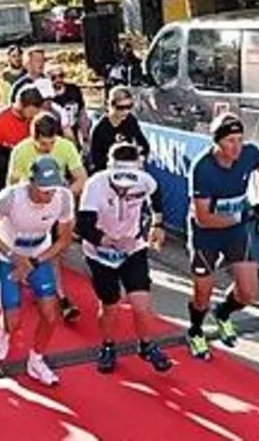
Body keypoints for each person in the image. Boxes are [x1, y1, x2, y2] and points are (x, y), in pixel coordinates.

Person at [77, 143, 173, 374]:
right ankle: (108, 346)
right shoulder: (94, 185)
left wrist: (157, 225)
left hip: (133, 248)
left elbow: (157, 199)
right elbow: (83, 225)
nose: (124, 190)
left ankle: (147, 345)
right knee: (110, 305)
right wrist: (104, 239)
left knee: (141, 304)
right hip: (100, 253)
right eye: (118, 183)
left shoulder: (146, 181)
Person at [185, 113, 259, 359]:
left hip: (234, 232)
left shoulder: (249, 153)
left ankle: (223, 313)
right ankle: (195, 330)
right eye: (230, 141)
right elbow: (204, 218)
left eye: (240, 139)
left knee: (248, 293)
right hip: (206, 234)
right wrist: (246, 216)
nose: (236, 147)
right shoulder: (202, 168)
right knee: (202, 293)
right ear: (217, 143)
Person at [0, 157, 75, 385]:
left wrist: (34, 261)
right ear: (31, 183)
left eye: (52, 190)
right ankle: (3, 330)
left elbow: (64, 239)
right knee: (13, 322)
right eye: (43, 191)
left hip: (39, 256)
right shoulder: (11, 197)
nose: (49, 196)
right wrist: (13, 256)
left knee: (50, 314)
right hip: (8, 255)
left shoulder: (63, 198)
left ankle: (36, 360)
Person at [5, 112, 86, 322]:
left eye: (51, 143)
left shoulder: (66, 147)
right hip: (27, 207)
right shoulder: (20, 151)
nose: (48, 148)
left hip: (54, 207)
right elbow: (11, 187)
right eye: (42, 144)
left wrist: (64, 197)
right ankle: (51, 292)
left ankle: (58, 295)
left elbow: (80, 178)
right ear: (33, 138)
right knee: (27, 251)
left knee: (56, 251)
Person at [89, 86, 151, 172]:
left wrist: (139, 157)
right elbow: (96, 160)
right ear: (110, 105)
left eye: (129, 107)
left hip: (130, 168)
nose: (126, 111)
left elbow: (144, 145)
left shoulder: (130, 120)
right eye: (120, 108)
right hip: (108, 171)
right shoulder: (100, 130)